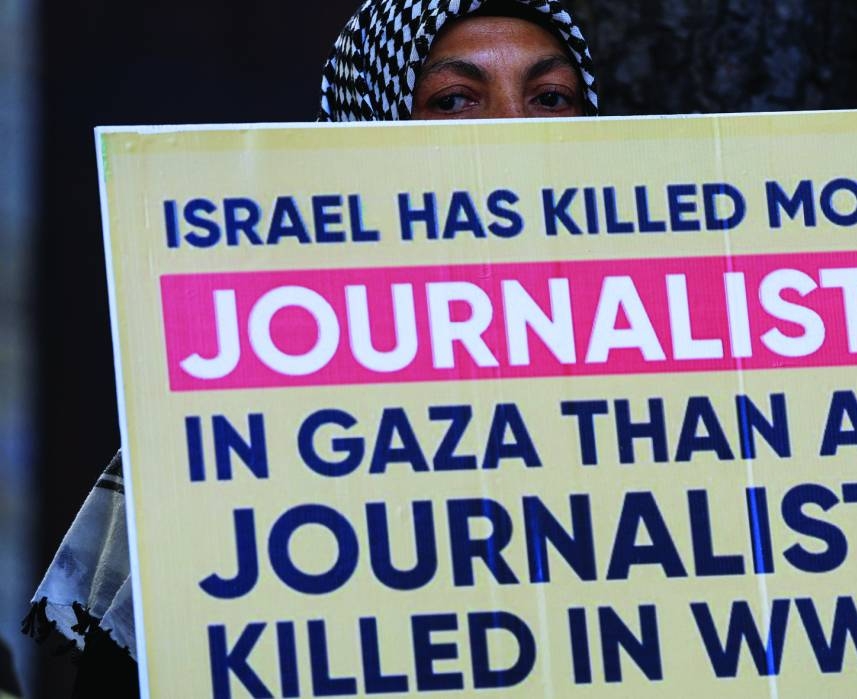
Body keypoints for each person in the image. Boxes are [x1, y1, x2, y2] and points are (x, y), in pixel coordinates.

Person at [26, 0, 599, 694]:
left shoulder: (691, 371)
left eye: (550, 98)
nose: (513, 132)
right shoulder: (259, 401)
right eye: (453, 101)